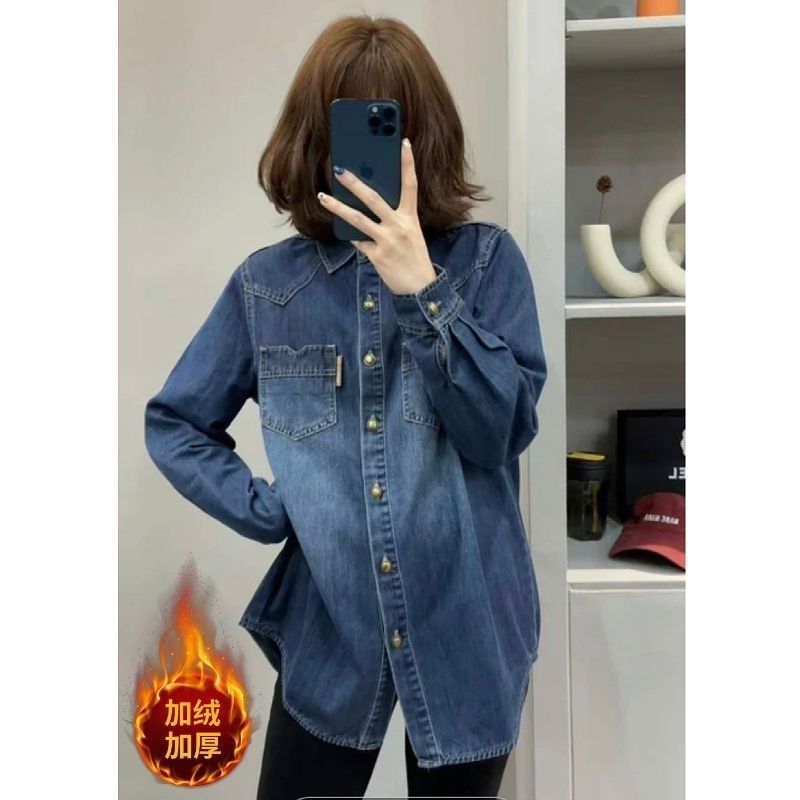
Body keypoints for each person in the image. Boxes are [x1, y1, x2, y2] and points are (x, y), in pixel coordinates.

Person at [144, 13, 547, 800]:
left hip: (471, 635)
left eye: (389, 131)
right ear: (314, 142)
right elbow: (177, 422)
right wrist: (271, 509)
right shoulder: (268, 288)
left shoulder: (488, 267)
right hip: (330, 634)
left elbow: (501, 432)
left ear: (423, 140)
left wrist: (425, 294)